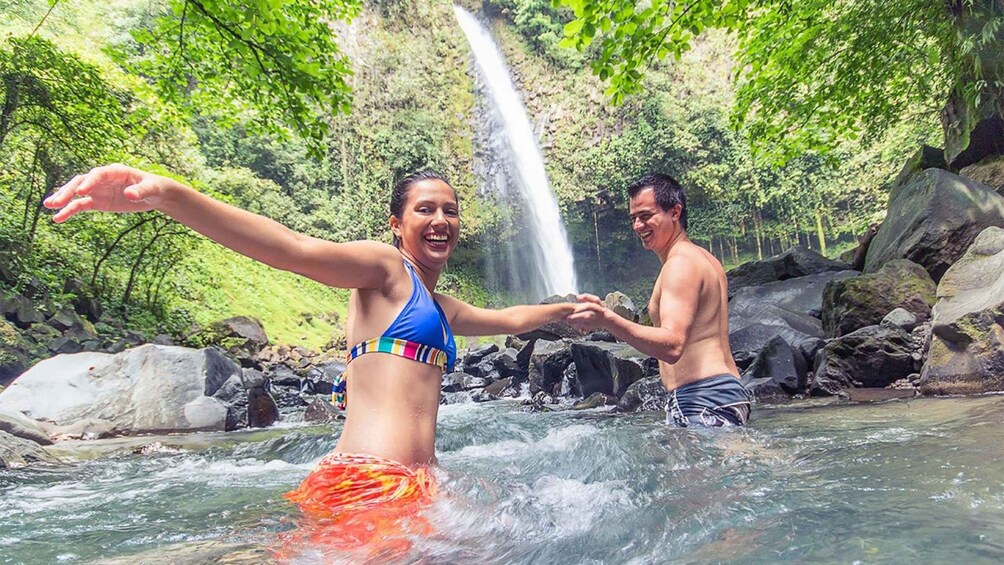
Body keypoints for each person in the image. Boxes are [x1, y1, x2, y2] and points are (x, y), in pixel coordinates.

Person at [44, 164, 584, 520]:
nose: (441, 220)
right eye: (425, 209)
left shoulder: (438, 307)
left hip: (415, 485)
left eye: (450, 210)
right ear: (397, 224)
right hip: (369, 483)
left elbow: (510, 318)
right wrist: (169, 195)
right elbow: (293, 249)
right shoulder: (385, 268)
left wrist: (568, 310)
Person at [568, 173, 751, 427]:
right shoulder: (703, 258)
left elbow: (672, 345)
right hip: (724, 392)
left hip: (701, 397)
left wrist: (607, 320)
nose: (637, 226)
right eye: (633, 218)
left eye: (645, 216)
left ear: (675, 212)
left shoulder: (680, 265)